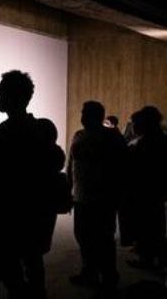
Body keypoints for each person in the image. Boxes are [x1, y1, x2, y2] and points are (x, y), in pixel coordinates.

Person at [0, 70, 65, 298]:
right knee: (33, 261)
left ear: (13, 97)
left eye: (1, 92)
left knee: (10, 263)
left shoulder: (9, 130)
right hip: (36, 210)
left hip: (14, 211)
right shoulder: (36, 129)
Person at [67, 101, 128, 290]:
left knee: (104, 239)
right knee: (83, 236)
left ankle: (109, 277)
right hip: (81, 197)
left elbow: (123, 168)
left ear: (97, 116)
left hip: (103, 199)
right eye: (83, 112)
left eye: (86, 113)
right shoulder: (78, 135)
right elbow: (71, 165)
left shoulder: (112, 138)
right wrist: (69, 190)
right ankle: (89, 272)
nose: (83, 116)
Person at [127, 106, 167, 270]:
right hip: (156, 190)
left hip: (145, 190)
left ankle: (147, 258)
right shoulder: (161, 139)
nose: (133, 127)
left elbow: (138, 168)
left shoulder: (145, 143)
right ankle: (158, 257)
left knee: (146, 225)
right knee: (156, 224)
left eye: (135, 123)